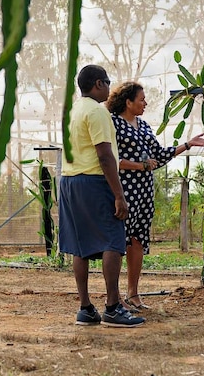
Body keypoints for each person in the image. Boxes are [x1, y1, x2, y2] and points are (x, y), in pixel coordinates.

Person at [106, 81, 204, 310]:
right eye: (141, 99)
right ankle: (114, 299)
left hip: (144, 192)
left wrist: (187, 145)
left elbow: (157, 155)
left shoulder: (144, 126)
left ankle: (133, 294)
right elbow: (109, 160)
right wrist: (139, 166)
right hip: (124, 190)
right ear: (128, 102)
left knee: (137, 240)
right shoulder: (112, 124)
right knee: (118, 242)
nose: (145, 103)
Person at [58, 65, 145, 328]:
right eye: (107, 82)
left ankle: (85, 308)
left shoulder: (73, 110)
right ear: (98, 84)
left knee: (80, 245)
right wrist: (119, 195)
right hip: (94, 181)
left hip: (70, 181)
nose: (109, 88)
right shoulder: (98, 112)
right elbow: (105, 155)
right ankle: (112, 307)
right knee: (113, 242)